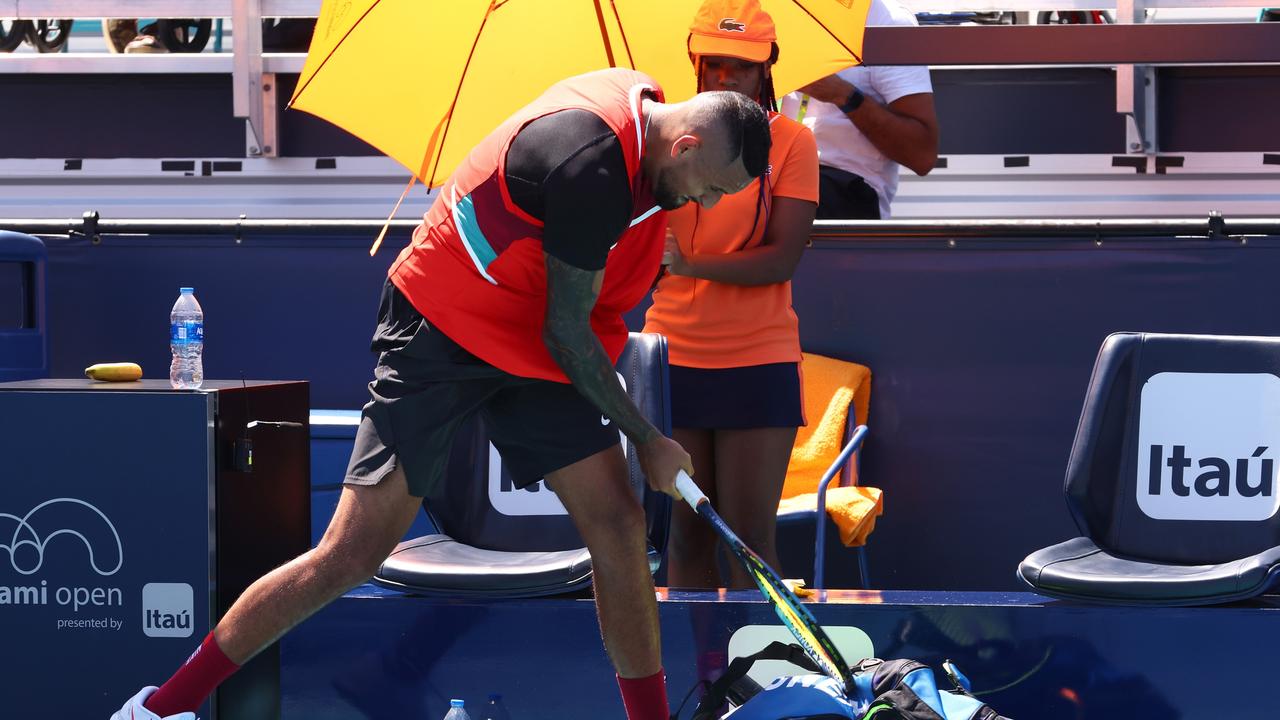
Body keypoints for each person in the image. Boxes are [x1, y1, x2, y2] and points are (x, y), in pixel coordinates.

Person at [109, 68, 771, 720]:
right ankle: (160, 709)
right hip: (443, 328)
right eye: (710, 187)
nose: (707, 205)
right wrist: (646, 438)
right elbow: (569, 332)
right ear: (682, 145)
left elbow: (565, 316)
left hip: (527, 328)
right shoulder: (589, 165)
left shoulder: (642, 132)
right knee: (349, 554)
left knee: (620, 526)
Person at [643, 0, 818, 591]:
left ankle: (757, 683)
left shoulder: (793, 143)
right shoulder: (663, 140)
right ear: (695, 62)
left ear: (767, 67)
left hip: (758, 358)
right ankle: (699, 681)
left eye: (741, 65)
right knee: (685, 536)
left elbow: (781, 260)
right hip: (669, 358)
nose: (726, 76)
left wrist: (691, 264)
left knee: (748, 540)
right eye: (716, 62)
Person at [779, 0, 939, 219]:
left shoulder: (887, 22)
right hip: (776, 177)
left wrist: (842, 95)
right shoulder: (773, 12)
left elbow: (921, 156)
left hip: (842, 187)